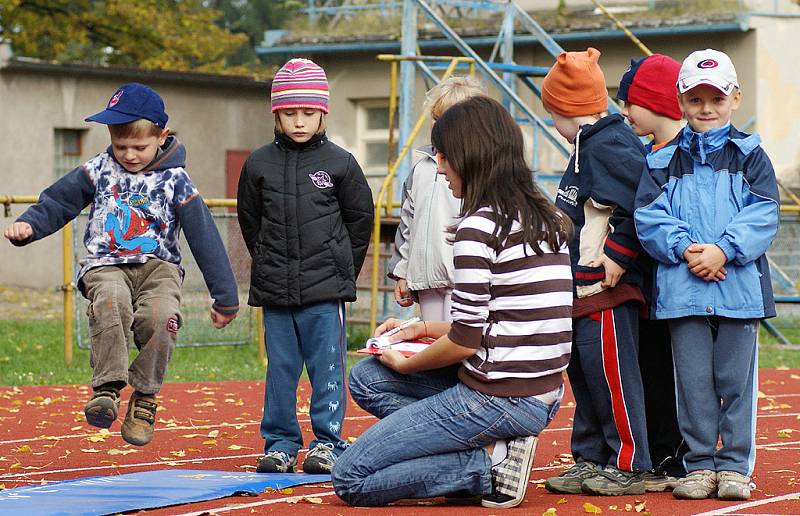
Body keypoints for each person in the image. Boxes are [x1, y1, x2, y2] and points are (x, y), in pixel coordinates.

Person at [331, 96, 573, 509]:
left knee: (350, 477)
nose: (439, 169)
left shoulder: (479, 227)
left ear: (470, 155)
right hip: (543, 394)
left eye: (443, 157)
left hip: (497, 396)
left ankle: (486, 465)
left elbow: (464, 343)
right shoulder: (546, 216)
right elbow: (497, 321)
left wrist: (408, 361)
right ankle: (493, 448)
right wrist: (420, 328)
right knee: (366, 378)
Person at [3, 83, 239, 446]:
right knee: (111, 302)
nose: (129, 155)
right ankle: (108, 388)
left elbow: (204, 236)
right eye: (120, 145)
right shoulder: (98, 169)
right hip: (105, 263)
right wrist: (30, 225)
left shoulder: (176, 180)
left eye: (139, 146)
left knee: (160, 318)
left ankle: (144, 397)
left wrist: (225, 297)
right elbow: (58, 202)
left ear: (162, 135)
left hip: (159, 268)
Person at [634, 49, 779, 501]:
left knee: (735, 383)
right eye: (695, 99)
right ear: (679, 101)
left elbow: (764, 213)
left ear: (734, 98)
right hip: (683, 290)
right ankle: (698, 464)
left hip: (738, 290)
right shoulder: (661, 161)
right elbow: (648, 217)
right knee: (692, 383)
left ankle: (735, 465)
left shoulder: (751, 156)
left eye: (716, 98)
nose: (706, 108)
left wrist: (723, 250)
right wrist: (686, 248)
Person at [237, 58, 374, 475]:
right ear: (276, 114)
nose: (299, 122)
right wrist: (268, 261)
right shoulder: (258, 164)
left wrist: (340, 270)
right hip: (276, 288)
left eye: (308, 113)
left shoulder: (341, 163)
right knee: (280, 370)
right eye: (290, 113)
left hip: (324, 291)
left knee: (327, 366)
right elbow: (250, 222)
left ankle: (328, 442)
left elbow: (360, 221)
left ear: (322, 114)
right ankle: (279, 444)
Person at [540, 48, 653, 496]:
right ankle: (591, 457)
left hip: (606, 289)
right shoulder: (586, 148)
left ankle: (629, 462)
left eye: (553, 114)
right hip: (579, 290)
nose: (553, 124)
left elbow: (642, 200)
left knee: (613, 377)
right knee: (585, 377)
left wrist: (619, 253)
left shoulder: (610, 144)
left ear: (567, 112)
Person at [616, 53, 687, 487]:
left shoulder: (684, 154)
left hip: (680, 286)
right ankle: (662, 452)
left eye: (630, 102)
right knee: (652, 371)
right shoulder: (645, 152)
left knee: (680, 374)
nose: (623, 112)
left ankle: (680, 453)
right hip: (648, 289)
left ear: (657, 101)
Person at [387, 75, 485, 321]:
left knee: (457, 341)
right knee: (431, 344)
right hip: (426, 279)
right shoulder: (420, 169)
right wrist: (402, 273)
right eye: (435, 118)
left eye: (448, 120)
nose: (439, 126)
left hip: (460, 277)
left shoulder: (475, 169)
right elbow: (407, 225)